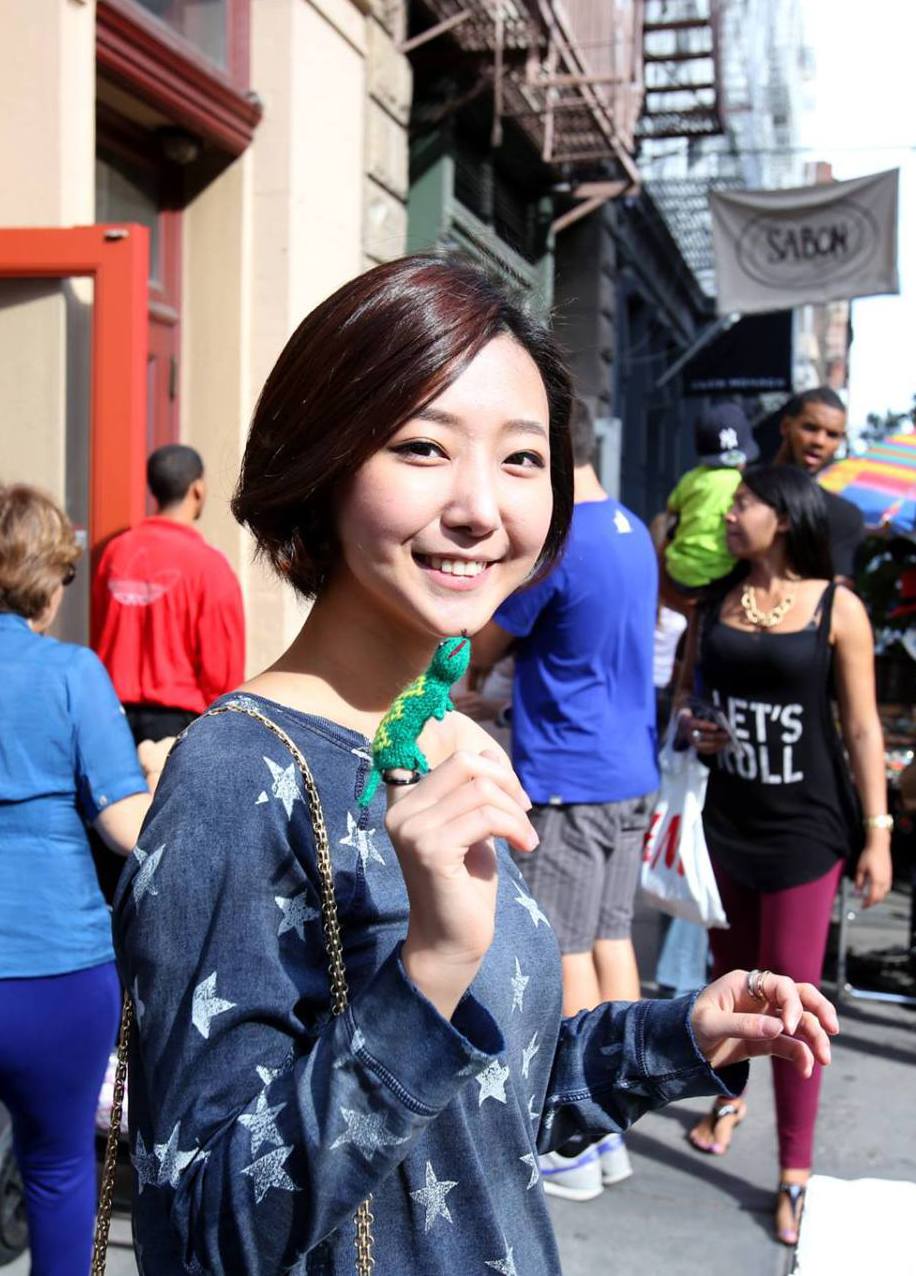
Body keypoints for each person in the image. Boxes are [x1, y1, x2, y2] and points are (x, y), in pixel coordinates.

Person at [112, 256, 838, 1276]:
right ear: (322, 459)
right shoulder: (237, 774)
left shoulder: (450, 739)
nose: (479, 507)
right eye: (422, 447)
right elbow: (202, 1228)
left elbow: (487, 1109)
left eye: (522, 458)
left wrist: (675, 1037)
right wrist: (429, 968)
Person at [680, 465, 891, 1245]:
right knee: (730, 982)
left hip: (807, 830)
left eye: (744, 503)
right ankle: (729, 1094)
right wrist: (697, 727)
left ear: (786, 515)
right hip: (726, 821)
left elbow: (862, 727)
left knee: (795, 998)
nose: (729, 514)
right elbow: (690, 701)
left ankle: (794, 1172)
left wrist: (878, 832)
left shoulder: (839, 607)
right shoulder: (717, 601)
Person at [465, 397, 659, 1199]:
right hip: (628, 769)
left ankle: (574, 1143)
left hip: (571, 776)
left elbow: (484, 639)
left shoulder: (564, 543)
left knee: (567, 949)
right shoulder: (632, 530)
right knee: (612, 939)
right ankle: (612, 1129)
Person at [0, 484, 165, 1276]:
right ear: (49, 578)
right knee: (60, 1169)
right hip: (55, 967)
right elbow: (128, 828)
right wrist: (158, 771)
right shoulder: (70, 672)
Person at [92, 443, 246, 743]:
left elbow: (100, 631)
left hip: (110, 716)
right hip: (177, 725)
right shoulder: (210, 566)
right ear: (197, 489)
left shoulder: (115, 553)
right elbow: (222, 670)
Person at [662, 402, 759, 609]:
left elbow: (671, 510)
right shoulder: (742, 485)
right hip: (721, 574)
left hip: (678, 571)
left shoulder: (690, 479)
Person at [773, 386, 865, 584]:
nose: (819, 441)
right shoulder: (743, 491)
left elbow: (837, 593)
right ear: (786, 426)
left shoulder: (844, 517)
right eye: (810, 428)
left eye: (832, 435)